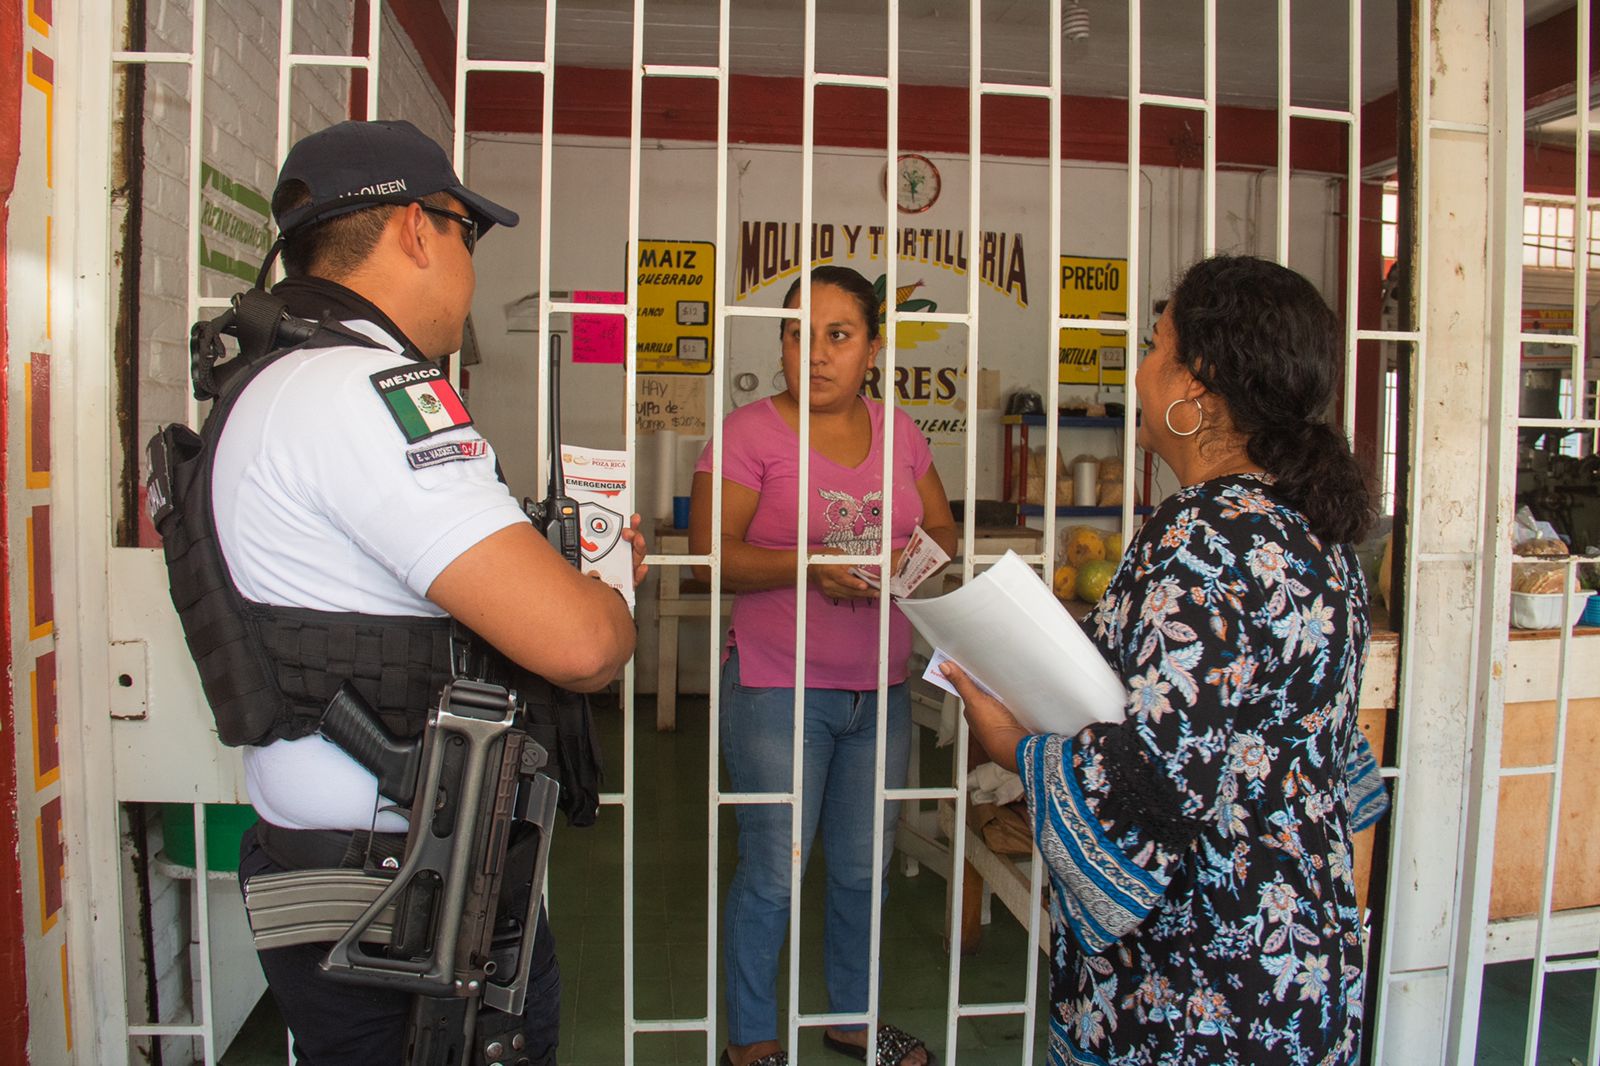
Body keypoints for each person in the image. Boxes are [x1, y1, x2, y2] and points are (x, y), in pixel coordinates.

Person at [187, 120, 643, 1064]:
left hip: (346, 884)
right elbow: (581, 646)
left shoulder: (270, 384)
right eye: (466, 236)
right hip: (408, 908)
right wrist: (606, 591)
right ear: (415, 229)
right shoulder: (365, 392)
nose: (468, 270)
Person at [942, 255, 1389, 1066]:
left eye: (1156, 346)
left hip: (1198, 989)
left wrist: (1016, 746)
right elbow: (1299, 740)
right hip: (1298, 961)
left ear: (1196, 387)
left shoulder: (1198, 537)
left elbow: (1151, 787)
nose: (1141, 368)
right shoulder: (1318, 534)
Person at [688, 266, 956, 1066]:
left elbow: (942, 525)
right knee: (774, 871)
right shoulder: (747, 435)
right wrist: (807, 565)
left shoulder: (901, 432)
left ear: (873, 349)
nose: (816, 352)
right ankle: (753, 1041)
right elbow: (707, 559)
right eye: (799, 332)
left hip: (880, 689)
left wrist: (915, 561)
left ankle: (852, 1022)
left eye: (839, 335)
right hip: (778, 685)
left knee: (862, 869)